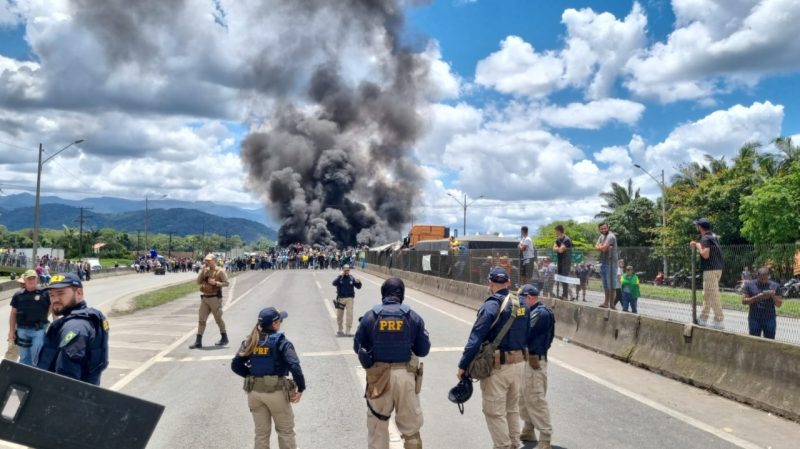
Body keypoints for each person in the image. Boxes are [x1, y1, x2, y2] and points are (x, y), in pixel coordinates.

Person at [354, 277, 430, 449]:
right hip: (405, 377)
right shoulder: (412, 316)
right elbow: (423, 350)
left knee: (377, 428)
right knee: (411, 431)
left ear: (383, 294)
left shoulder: (370, 316)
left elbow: (357, 346)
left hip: (379, 378)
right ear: (401, 294)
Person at [456, 267, 527, 449]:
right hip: (519, 364)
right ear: (509, 283)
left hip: (498, 367)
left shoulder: (491, 305)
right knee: (511, 409)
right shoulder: (522, 303)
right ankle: (513, 444)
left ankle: (503, 446)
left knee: (494, 412)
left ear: (490, 282)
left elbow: (475, 338)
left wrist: (463, 365)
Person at [232, 307, 305, 449]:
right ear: (275, 323)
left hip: (254, 393)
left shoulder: (251, 340)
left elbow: (235, 364)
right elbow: (294, 365)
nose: (281, 323)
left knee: (261, 434)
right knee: (285, 432)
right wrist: (301, 387)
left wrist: (252, 376)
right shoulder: (281, 341)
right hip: (276, 393)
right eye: (280, 320)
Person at [36, 273, 109, 385]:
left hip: (64, 397)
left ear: (79, 293)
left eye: (61, 293)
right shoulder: (88, 318)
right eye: (51, 295)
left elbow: (66, 380)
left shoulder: (75, 327)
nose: (55, 299)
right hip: (86, 392)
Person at [518, 284, 554, 449]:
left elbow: (524, 331)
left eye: (522, 299)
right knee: (524, 397)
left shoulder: (541, 313)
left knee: (535, 399)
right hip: (526, 360)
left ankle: (545, 437)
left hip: (535, 361)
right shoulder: (530, 311)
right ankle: (528, 429)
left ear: (530, 297)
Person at [7, 269, 50, 366]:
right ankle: (26, 379)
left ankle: (36, 379)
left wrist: (54, 323)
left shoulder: (45, 294)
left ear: (37, 279)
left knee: (37, 357)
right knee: (24, 359)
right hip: (22, 331)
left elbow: (54, 308)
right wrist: (11, 331)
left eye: (33, 278)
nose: (31, 281)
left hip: (38, 331)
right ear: (24, 281)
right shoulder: (18, 295)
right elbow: (13, 314)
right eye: (29, 279)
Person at [190, 253, 230, 349]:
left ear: (214, 260)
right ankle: (198, 341)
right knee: (201, 320)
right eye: (206, 260)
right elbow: (198, 282)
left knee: (218, 319)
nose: (206, 262)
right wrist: (202, 271)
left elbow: (227, 283)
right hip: (205, 298)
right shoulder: (205, 270)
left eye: (209, 260)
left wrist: (216, 283)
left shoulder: (220, 271)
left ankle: (224, 337)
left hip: (215, 298)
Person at [690, 218, 724, 329]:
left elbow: (705, 254)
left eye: (697, 225)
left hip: (710, 270)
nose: (696, 227)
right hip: (718, 268)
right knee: (707, 294)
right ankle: (703, 318)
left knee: (713, 295)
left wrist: (697, 245)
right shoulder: (713, 236)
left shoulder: (705, 238)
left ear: (700, 227)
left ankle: (719, 320)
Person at [741, 267, 783, 339]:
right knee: (754, 341)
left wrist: (772, 296)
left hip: (770, 318)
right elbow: (744, 301)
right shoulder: (749, 284)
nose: (763, 281)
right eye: (761, 279)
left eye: (765, 278)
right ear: (758, 276)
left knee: (770, 341)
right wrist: (757, 297)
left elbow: (779, 304)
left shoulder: (775, 286)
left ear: (768, 276)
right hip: (754, 318)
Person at [332, 264, 362, 337]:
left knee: (349, 315)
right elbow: (334, 283)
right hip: (341, 298)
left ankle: (348, 331)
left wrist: (359, 282)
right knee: (339, 315)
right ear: (343, 270)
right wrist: (340, 276)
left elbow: (358, 287)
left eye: (348, 270)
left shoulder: (351, 278)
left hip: (349, 299)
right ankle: (340, 330)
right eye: (345, 270)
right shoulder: (340, 278)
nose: (347, 271)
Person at [595, 222, 618, 308]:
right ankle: (605, 303)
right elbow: (596, 247)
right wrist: (602, 247)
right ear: (599, 229)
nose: (603, 230)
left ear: (608, 228)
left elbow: (603, 249)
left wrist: (601, 247)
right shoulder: (601, 236)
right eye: (601, 229)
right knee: (605, 284)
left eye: (605, 228)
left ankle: (612, 304)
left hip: (611, 263)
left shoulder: (610, 236)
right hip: (604, 262)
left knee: (611, 284)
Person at [553, 225, 573, 299]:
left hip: (566, 261)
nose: (555, 232)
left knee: (565, 277)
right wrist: (558, 248)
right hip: (560, 260)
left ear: (559, 231)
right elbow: (554, 248)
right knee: (561, 277)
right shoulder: (558, 239)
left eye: (556, 231)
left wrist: (557, 248)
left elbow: (560, 250)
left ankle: (566, 295)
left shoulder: (566, 239)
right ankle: (564, 294)